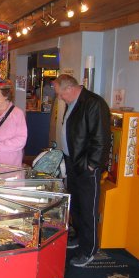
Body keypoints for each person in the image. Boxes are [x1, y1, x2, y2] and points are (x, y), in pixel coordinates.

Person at [54, 74, 110, 267]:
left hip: (86, 166)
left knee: (88, 209)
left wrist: (92, 164)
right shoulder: (72, 103)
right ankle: (79, 237)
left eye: (61, 93)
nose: (60, 97)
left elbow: (101, 138)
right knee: (76, 206)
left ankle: (89, 250)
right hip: (73, 162)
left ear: (69, 88)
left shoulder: (93, 103)